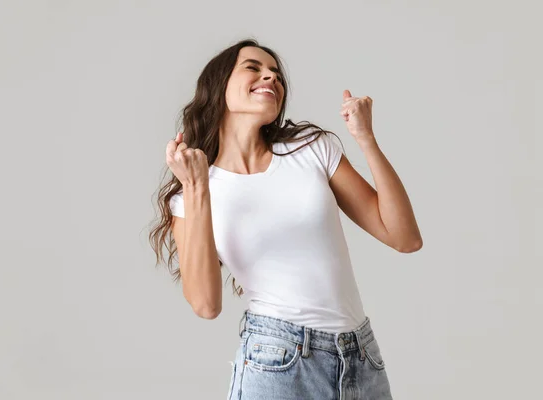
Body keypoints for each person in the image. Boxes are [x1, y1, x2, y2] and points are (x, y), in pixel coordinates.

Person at [148, 38, 422, 399]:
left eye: (276, 74)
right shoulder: (194, 191)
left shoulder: (310, 147)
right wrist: (197, 186)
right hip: (278, 361)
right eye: (253, 68)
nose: (270, 78)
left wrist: (365, 138)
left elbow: (404, 238)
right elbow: (205, 304)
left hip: (360, 356)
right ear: (218, 87)